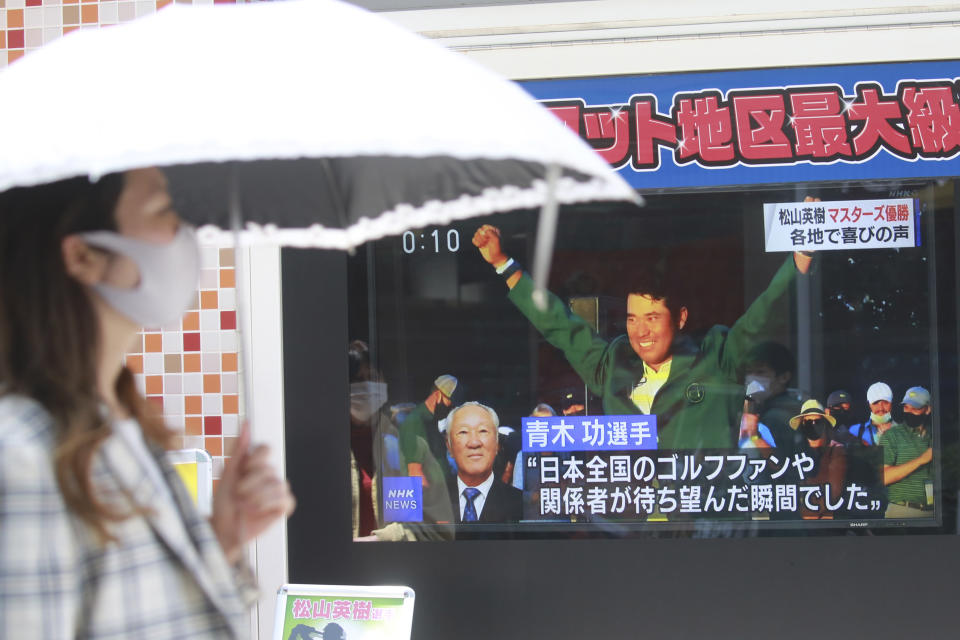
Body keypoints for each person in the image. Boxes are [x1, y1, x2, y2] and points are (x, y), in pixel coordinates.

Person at [0, 169, 295, 638]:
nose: (186, 232)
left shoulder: (128, 426)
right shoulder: (20, 462)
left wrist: (220, 543)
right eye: (163, 210)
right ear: (81, 256)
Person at [472, 223, 813, 450]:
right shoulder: (614, 361)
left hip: (702, 520)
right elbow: (560, 325)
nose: (641, 331)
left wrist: (798, 261)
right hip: (629, 524)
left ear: (680, 318)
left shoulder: (717, 357)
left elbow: (760, 318)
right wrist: (504, 264)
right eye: (633, 319)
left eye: (652, 318)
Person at [348, 341, 453, 542]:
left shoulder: (407, 444)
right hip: (339, 570)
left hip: (392, 566)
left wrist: (384, 540)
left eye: (372, 378)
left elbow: (438, 526)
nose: (367, 387)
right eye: (358, 380)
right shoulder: (324, 449)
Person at [446, 401, 522, 523]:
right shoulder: (429, 503)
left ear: (497, 443)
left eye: (483, 431)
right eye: (463, 432)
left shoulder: (521, 504)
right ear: (449, 446)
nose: (474, 443)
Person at [879, 386, 934, 518]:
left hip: (935, 513)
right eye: (906, 407)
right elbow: (883, 477)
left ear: (928, 409)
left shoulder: (936, 434)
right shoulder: (892, 436)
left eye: (915, 408)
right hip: (902, 511)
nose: (909, 412)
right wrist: (922, 460)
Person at [788, 399, 846, 519]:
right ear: (802, 425)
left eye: (817, 421)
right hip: (801, 526)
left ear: (824, 424)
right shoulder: (795, 452)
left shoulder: (836, 450)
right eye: (808, 422)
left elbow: (833, 493)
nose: (813, 425)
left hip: (828, 525)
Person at [740, 341, 802, 454]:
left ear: (784, 377)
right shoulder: (794, 407)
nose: (752, 378)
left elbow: (772, 464)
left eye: (760, 372)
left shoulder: (775, 418)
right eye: (749, 372)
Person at [398, 374, 459, 480]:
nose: (451, 409)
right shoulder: (415, 422)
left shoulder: (433, 422)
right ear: (438, 395)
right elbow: (415, 472)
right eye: (450, 404)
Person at [850, 381, 900, 446]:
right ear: (869, 404)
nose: (881, 408)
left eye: (885, 403)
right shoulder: (855, 431)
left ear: (891, 403)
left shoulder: (903, 431)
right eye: (875, 403)